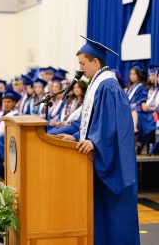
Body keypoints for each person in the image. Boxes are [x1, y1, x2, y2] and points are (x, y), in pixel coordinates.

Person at [58, 36, 140, 245]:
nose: (81, 68)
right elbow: (94, 121)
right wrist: (76, 136)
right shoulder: (97, 85)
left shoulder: (108, 86)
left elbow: (115, 125)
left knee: (114, 213)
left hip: (114, 161)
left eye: (83, 63)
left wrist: (95, 142)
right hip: (101, 153)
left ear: (96, 61)